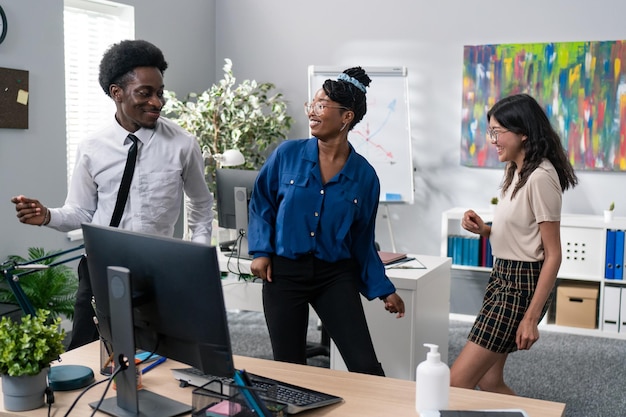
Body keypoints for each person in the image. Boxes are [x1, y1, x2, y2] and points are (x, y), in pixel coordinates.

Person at [11, 39, 214, 349]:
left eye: (160, 93)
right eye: (145, 93)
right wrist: (48, 216)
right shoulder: (92, 147)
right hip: (100, 269)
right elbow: (81, 212)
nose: (156, 102)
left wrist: (198, 256)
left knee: (160, 356)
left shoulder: (182, 144)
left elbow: (200, 202)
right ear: (116, 93)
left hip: (157, 272)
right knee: (84, 352)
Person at [247, 67, 405, 376]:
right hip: (283, 274)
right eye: (313, 104)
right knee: (291, 370)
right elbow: (261, 203)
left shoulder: (365, 176)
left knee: (365, 367)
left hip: (334, 276)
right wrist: (261, 251)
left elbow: (362, 240)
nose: (312, 112)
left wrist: (384, 289)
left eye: (322, 105)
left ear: (347, 117)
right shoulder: (286, 155)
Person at [450, 93, 578, 394]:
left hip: (520, 287)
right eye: (490, 132)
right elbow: (522, 231)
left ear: (523, 133)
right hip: (502, 276)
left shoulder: (540, 177)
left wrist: (531, 318)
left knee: (457, 382)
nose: (492, 140)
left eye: (497, 132)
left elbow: (553, 255)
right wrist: (484, 230)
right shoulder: (515, 171)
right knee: (489, 380)